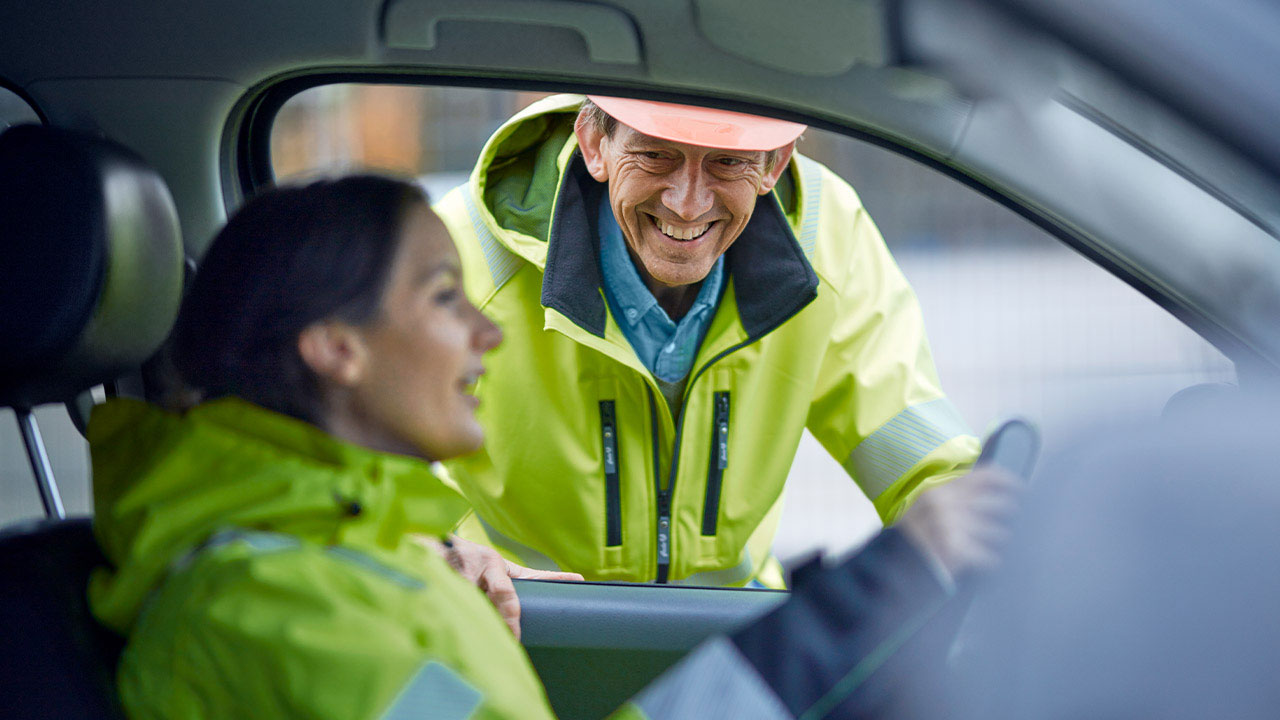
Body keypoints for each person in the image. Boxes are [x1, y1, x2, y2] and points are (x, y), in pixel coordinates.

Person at [88, 176, 1016, 718]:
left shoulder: (357, 560)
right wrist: (856, 611)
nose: (490, 332)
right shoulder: (278, 605)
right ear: (338, 348)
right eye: (444, 298)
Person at [435, 94, 981, 586]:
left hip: (724, 630)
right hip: (517, 623)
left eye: (728, 161)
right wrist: (440, 550)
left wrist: (986, 552)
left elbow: (924, 463)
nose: (688, 204)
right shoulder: (460, 251)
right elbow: (378, 473)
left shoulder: (827, 234)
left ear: (774, 165)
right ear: (595, 145)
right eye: (655, 155)